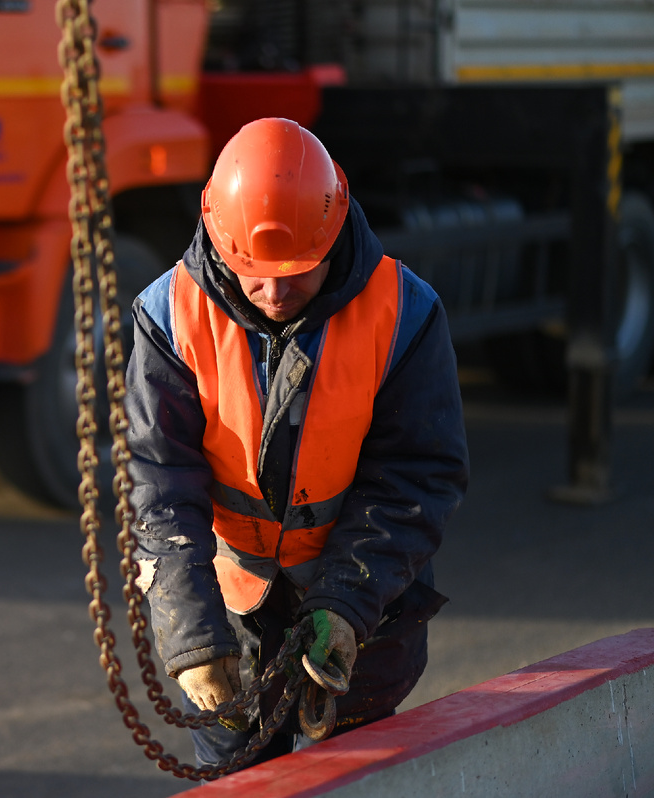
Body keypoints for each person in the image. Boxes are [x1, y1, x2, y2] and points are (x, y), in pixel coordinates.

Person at [124, 117, 469, 767]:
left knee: (356, 776)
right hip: (232, 611)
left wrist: (345, 604)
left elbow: (417, 476)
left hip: (362, 617)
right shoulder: (170, 317)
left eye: (298, 271)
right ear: (218, 240)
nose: (275, 292)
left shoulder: (404, 314)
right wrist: (193, 639)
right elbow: (158, 481)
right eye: (254, 273)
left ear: (334, 231)